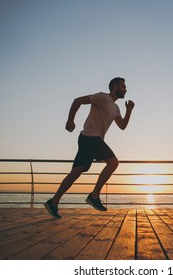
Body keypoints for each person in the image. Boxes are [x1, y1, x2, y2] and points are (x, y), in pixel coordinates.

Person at [44, 77, 135, 218]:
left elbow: (122, 126)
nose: (126, 89)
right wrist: (70, 120)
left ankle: (53, 202)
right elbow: (77, 101)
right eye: (123, 86)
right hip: (91, 137)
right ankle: (94, 195)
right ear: (115, 87)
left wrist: (129, 110)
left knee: (76, 172)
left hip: (88, 139)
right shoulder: (102, 97)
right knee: (113, 162)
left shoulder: (116, 108)